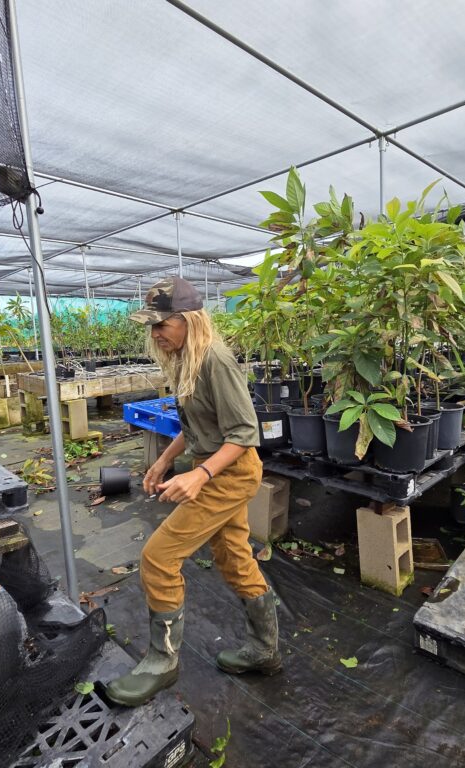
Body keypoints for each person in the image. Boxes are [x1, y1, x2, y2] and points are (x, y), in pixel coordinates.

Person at [104, 277, 280, 707]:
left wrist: (199, 475)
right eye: (152, 326)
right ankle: (265, 650)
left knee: (158, 558)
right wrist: (165, 461)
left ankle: (162, 663)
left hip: (230, 474)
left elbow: (243, 433)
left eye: (162, 324)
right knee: (234, 556)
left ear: (190, 321)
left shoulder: (214, 361)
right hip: (219, 469)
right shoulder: (185, 358)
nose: (155, 333)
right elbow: (197, 425)